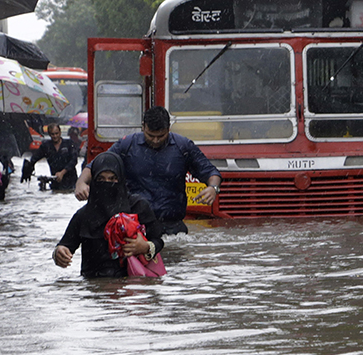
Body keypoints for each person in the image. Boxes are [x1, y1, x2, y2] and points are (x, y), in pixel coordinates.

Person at [74, 107, 221, 235]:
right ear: (143, 127)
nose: (156, 140)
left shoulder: (183, 146)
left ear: (169, 129)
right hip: (135, 225)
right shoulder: (127, 145)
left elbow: (211, 172)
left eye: (161, 136)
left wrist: (213, 188)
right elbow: (96, 165)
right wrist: (81, 182)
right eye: (151, 136)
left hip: (172, 226)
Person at [54, 151, 164, 278]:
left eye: (112, 179)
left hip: (131, 286)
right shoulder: (84, 215)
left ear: (121, 179)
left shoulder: (138, 207)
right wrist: (59, 254)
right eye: (101, 179)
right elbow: (64, 246)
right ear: (94, 181)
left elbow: (158, 241)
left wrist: (145, 247)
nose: (107, 184)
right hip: (94, 286)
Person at [22, 124, 78, 191]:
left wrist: (62, 173)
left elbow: (74, 160)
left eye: (56, 133)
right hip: (55, 182)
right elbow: (35, 157)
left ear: (60, 132)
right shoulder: (46, 146)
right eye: (52, 134)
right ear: (49, 134)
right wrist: (28, 167)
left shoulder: (69, 144)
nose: (55, 136)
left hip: (71, 182)